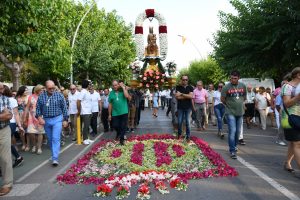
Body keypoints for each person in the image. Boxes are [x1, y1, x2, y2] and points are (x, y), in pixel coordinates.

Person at [36, 80, 69, 166]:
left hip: (57, 119)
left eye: (53, 87)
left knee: (55, 138)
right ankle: (54, 153)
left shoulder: (59, 95)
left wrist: (65, 119)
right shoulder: (41, 97)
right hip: (46, 120)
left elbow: (64, 108)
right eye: (50, 88)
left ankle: (55, 158)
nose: (52, 89)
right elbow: (38, 109)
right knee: (50, 139)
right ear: (46, 88)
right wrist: (39, 117)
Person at [221, 70, 247, 159]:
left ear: (238, 78)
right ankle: (232, 150)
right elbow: (222, 99)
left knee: (238, 131)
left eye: (235, 78)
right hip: (230, 112)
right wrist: (229, 105)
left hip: (240, 112)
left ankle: (235, 146)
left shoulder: (243, 86)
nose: (233, 80)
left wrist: (239, 104)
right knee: (232, 131)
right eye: (231, 78)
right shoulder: (226, 87)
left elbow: (244, 97)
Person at [281, 67, 300, 178]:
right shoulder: (287, 87)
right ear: (298, 75)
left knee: (294, 142)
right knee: (297, 143)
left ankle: (287, 162)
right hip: (289, 118)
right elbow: (287, 103)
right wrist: (298, 97)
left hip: (298, 118)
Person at [3, 85, 24, 167]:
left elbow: (16, 114)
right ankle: (18, 157)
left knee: (5, 143)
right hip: (5, 124)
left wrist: (19, 125)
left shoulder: (12, 100)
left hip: (10, 123)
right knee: (6, 143)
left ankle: (17, 157)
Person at [0, 82, 13, 196]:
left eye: (2, 88)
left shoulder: (5, 99)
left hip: (3, 130)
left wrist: (5, 115)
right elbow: (4, 115)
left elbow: (9, 116)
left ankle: (7, 184)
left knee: (5, 158)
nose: (1, 90)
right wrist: (2, 115)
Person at [108, 80, 131, 145]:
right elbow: (110, 104)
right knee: (115, 125)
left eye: (116, 85)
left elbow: (127, 97)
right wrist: (109, 114)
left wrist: (123, 88)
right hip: (115, 112)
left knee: (123, 126)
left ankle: (121, 139)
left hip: (124, 111)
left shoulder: (123, 90)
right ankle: (120, 134)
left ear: (119, 85)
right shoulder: (111, 93)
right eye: (113, 85)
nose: (114, 86)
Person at [24, 85, 45, 154]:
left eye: (43, 90)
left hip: (40, 116)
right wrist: (25, 117)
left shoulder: (44, 97)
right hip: (31, 116)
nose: (42, 91)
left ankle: (39, 147)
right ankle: (34, 145)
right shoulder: (31, 97)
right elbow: (27, 107)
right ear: (37, 90)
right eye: (41, 90)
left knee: (40, 132)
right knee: (30, 132)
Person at [176, 75, 193, 142]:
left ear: (187, 80)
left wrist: (182, 94)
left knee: (188, 123)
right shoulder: (178, 87)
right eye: (183, 79)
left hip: (188, 107)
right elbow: (177, 97)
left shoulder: (190, 87)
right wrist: (187, 96)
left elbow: (191, 96)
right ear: (181, 80)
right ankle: (179, 135)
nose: (185, 81)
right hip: (180, 107)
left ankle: (188, 136)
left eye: (186, 79)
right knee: (179, 122)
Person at [77, 80, 93, 145]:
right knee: (85, 126)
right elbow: (78, 101)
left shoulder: (87, 92)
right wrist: (79, 110)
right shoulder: (83, 92)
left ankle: (87, 138)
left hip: (89, 111)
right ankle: (84, 139)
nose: (90, 85)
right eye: (89, 84)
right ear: (87, 85)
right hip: (85, 112)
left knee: (88, 126)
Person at [16, 85, 29, 151]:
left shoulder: (29, 97)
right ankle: (24, 143)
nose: (27, 91)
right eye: (25, 90)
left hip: (28, 115)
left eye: (27, 90)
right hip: (20, 115)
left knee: (28, 131)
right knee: (21, 131)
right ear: (22, 91)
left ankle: (28, 145)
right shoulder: (18, 97)